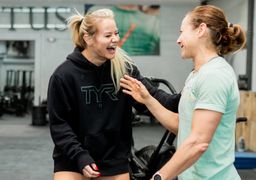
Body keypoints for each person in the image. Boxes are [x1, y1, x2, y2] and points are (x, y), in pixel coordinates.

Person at [47, 8, 180, 180]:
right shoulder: (64, 75)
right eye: (108, 35)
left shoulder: (124, 69)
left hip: (114, 161)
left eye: (116, 33)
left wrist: (187, 95)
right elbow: (60, 125)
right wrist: (80, 157)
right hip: (72, 160)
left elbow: (154, 97)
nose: (115, 39)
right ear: (88, 39)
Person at [120, 5, 246, 180]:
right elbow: (182, 124)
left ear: (201, 29)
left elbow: (198, 142)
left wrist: (159, 176)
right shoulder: (197, 74)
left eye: (182, 32)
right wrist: (147, 99)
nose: (178, 40)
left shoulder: (214, 75)